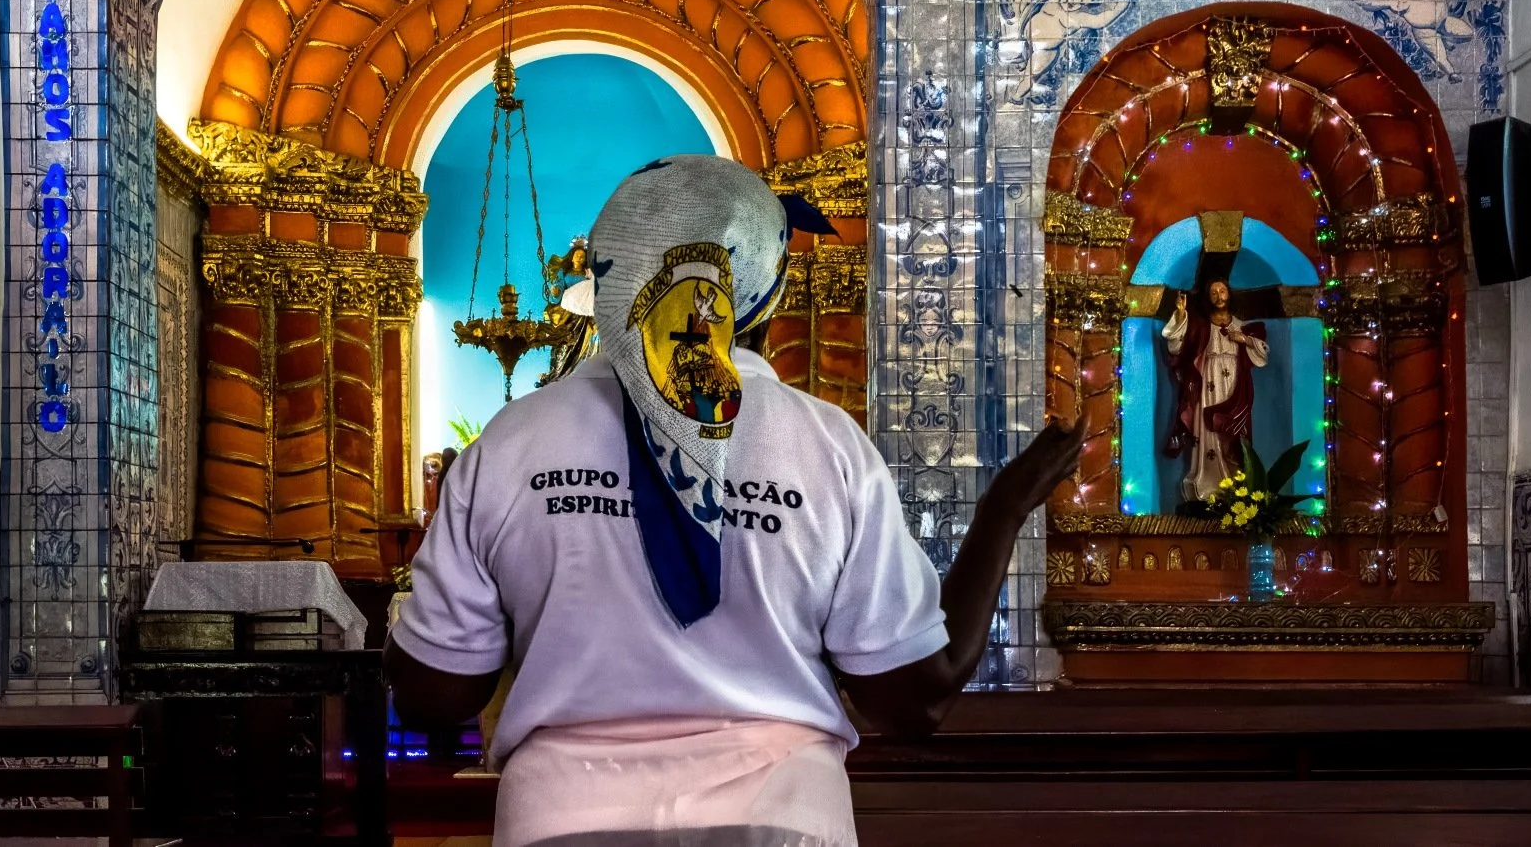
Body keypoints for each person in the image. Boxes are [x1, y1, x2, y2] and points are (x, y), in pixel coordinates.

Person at [387, 155, 1082, 847]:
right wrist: (1005, 508)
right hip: (781, 816)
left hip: (565, 817)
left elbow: (432, 693)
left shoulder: (514, 443)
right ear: (769, 295)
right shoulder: (827, 447)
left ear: (610, 274)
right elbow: (913, 698)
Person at [1163, 280, 1271, 504]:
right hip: (1208, 384)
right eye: (1213, 292)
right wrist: (1181, 316)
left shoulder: (1241, 326)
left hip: (1235, 387)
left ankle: (1238, 486)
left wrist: (1244, 339)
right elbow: (1177, 347)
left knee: (1233, 435)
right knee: (1207, 430)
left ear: (1229, 294)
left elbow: (1262, 355)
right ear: (1208, 297)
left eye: (1222, 291)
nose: (1219, 296)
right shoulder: (1201, 327)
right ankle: (1207, 485)